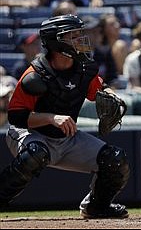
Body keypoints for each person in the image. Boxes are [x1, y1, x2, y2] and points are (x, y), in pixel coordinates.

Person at [0, 15, 130, 218]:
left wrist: (111, 96)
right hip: (32, 133)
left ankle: (97, 207)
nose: (80, 39)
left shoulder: (85, 69)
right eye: (73, 36)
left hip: (67, 138)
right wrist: (51, 118)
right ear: (55, 41)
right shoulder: (34, 74)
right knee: (34, 155)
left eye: (80, 34)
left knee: (115, 160)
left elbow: (99, 90)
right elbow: (17, 117)